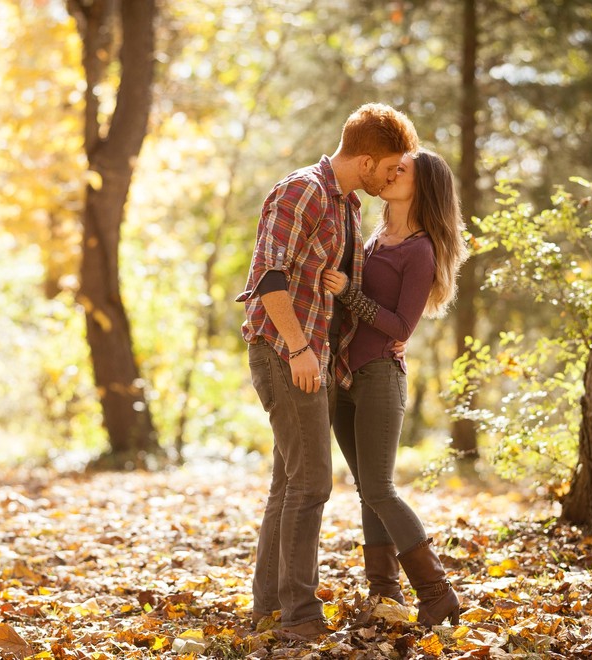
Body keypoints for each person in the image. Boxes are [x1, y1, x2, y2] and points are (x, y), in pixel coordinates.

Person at [237, 104, 418, 640]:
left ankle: (269, 607)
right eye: (388, 170)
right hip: (284, 350)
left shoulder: (348, 207)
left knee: (289, 482)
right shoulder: (303, 191)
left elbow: (336, 291)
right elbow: (269, 280)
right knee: (312, 482)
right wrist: (299, 349)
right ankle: (299, 616)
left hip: (312, 353)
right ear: (366, 160)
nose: (391, 179)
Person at [321, 148, 468, 626]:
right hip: (342, 375)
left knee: (380, 488)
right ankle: (385, 597)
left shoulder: (420, 249)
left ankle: (437, 592)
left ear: (420, 186)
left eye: (400, 170)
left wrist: (349, 294)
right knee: (366, 491)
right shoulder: (376, 237)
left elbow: (401, 326)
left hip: (381, 375)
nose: (390, 173)